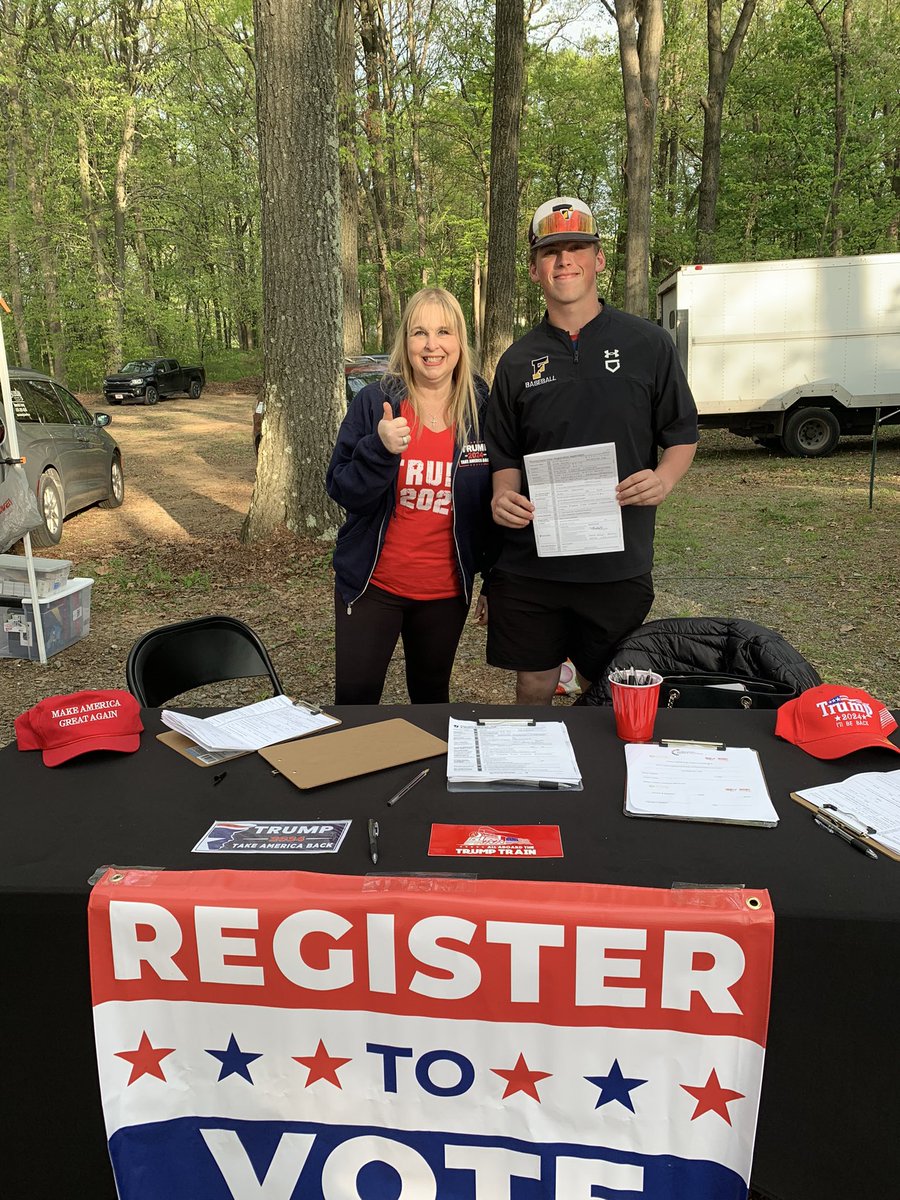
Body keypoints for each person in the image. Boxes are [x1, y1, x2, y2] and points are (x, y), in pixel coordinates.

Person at [485, 196, 699, 704]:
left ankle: (602, 783)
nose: (564, 262)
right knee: (533, 685)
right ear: (535, 269)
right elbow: (505, 454)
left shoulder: (648, 343)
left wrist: (664, 479)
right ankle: (533, 776)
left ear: (598, 259)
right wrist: (501, 497)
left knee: (604, 690)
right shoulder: (517, 361)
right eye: (551, 252)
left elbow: (681, 434)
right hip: (534, 563)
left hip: (616, 561)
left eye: (577, 247)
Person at [327, 287, 492, 704]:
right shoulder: (376, 402)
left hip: (445, 593)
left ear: (459, 342)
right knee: (355, 703)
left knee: (431, 703)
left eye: (444, 332)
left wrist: (494, 577)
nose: (432, 345)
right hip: (373, 587)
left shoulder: (481, 406)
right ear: (405, 342)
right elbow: (343, 488)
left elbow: (494, 501)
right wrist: (378, 450)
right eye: (420, 333)